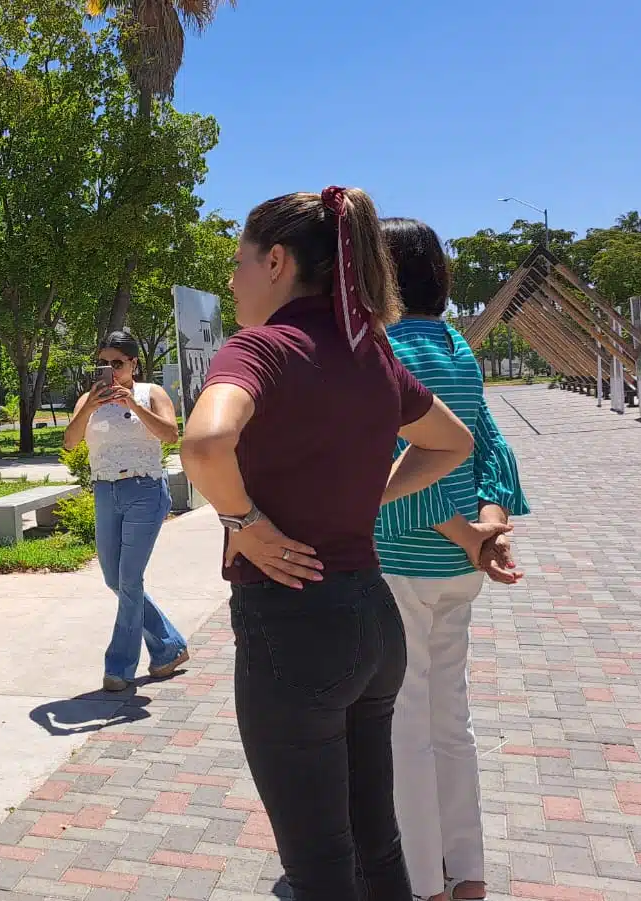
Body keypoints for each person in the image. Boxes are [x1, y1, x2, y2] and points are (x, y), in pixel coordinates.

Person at [179, 186, 478, 901]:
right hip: (374, 621)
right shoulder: (370, 352)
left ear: (276, 261)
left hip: (292, 628)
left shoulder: (260, 348)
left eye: (239, 262)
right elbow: (452, 442)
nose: (231, 279)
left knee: (319, 867)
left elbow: (205, 441)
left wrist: (244, 523)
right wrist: (372, 492)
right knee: (378, 846)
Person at [375, 217, 529, 901]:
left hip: (402, 560)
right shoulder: (458, 349)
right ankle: (466, 873)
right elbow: (489, 446)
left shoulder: (384, 354)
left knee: (404, 728)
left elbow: (396, 470)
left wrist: (467, 533)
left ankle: (420, 882)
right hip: (459, 572)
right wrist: (487, 530)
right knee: (450, 720)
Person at [61, 330, 189, 692]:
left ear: (134, 363)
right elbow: (70, 443)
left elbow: (169, 435)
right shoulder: (88, 399)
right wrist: (89, 407)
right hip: (105, 491)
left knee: (130, 580)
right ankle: (169, 647)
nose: (111, 370)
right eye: (104, 364)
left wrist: (132, 404)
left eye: (118, 363)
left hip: (145, 491)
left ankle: (119, 667)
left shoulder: (152, 393)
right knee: (113, 579)